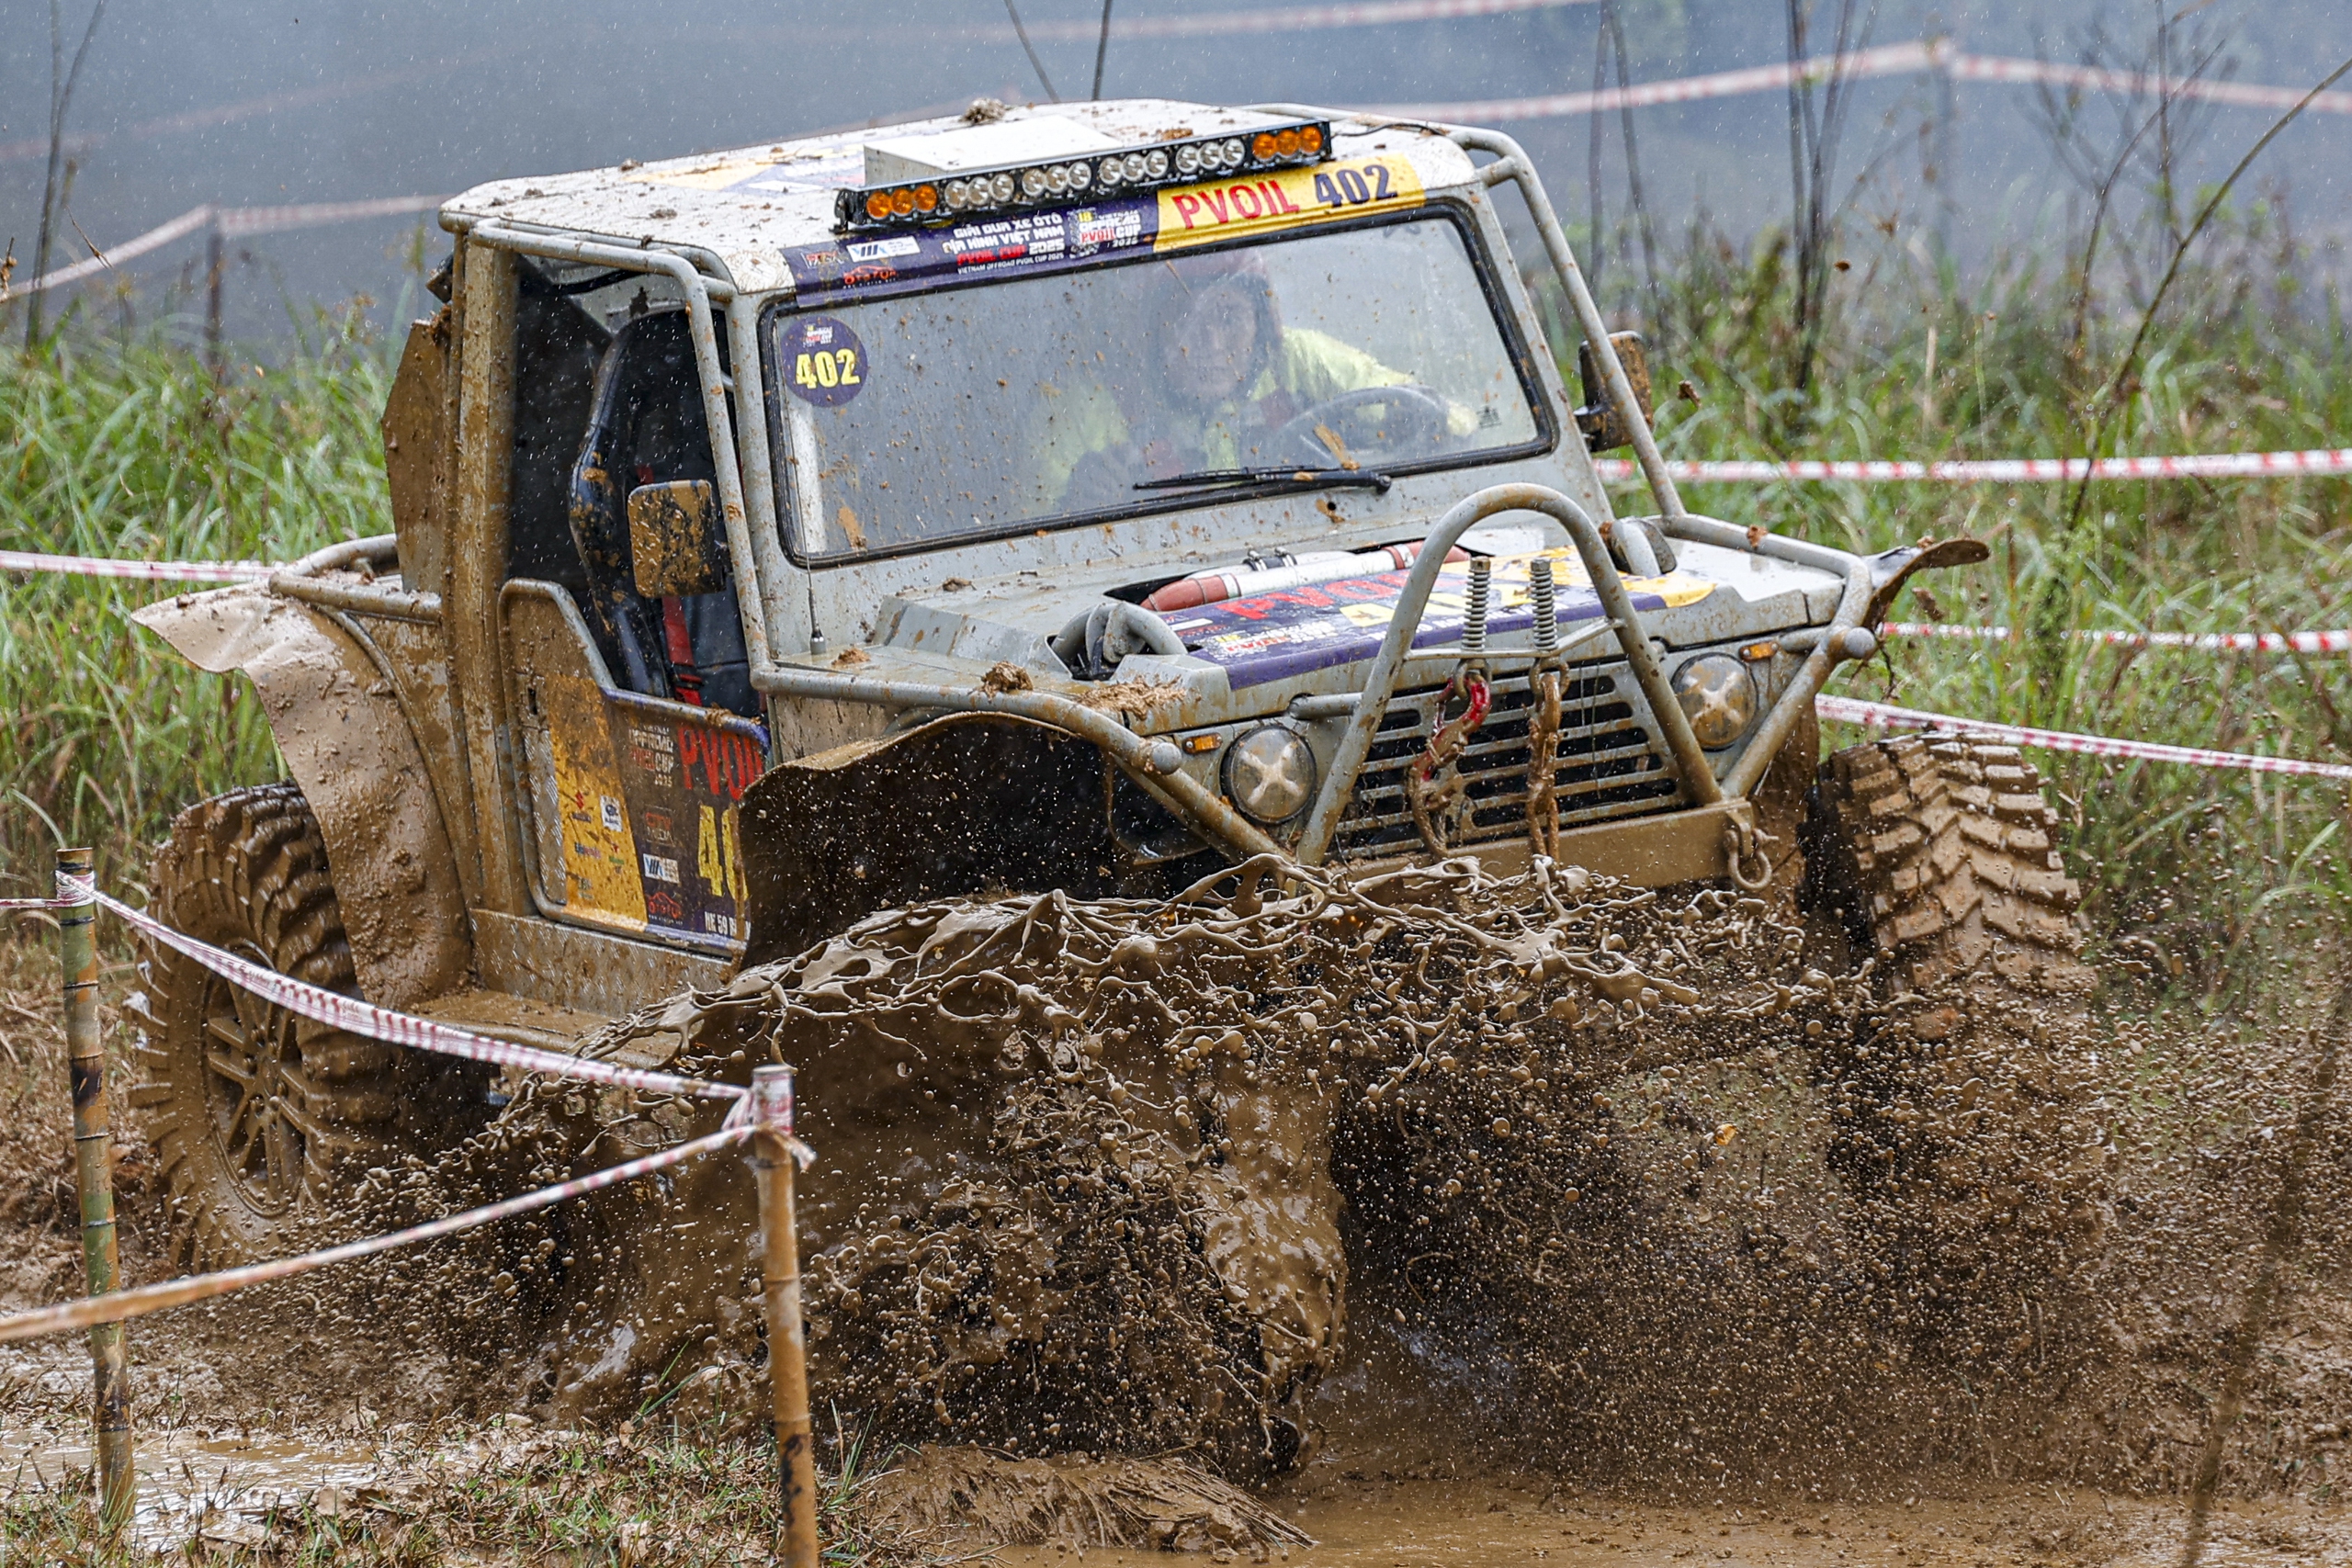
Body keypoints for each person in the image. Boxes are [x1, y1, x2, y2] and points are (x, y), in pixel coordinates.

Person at [1036, 254, 1468, 511]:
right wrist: (1074, 502)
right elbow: (1021, 543)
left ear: (1262, 326)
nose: (1209, 343)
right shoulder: (1091, 406)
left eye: (1230, 318)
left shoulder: (1298, 361)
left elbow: (1448, 418)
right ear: (1152, 331)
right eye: (1186, 320)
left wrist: (1390, 429)